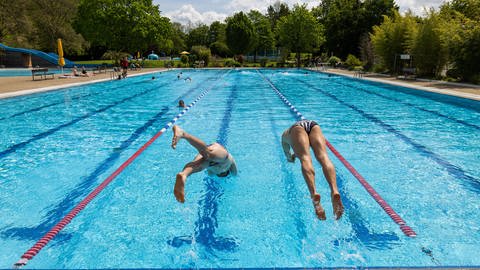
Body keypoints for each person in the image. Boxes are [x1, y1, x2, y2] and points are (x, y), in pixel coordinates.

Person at [281, 119, 344, 220]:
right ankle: (334, 190)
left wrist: (291, 157)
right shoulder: (292, 131)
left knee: (305, 158)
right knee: (324, 157)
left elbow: (288, 154)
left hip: (297, 130)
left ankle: (314, 194)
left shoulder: (285, 135)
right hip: (313, 125)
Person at [171, 125, 237, 203]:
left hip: (211, 162)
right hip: (222, 156)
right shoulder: (230, 164)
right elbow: (234, 173)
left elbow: (202, 166)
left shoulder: (212, 173)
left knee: (197, 166)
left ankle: (184, 174)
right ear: (227, 172)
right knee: (208, 153)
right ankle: (183, 134)